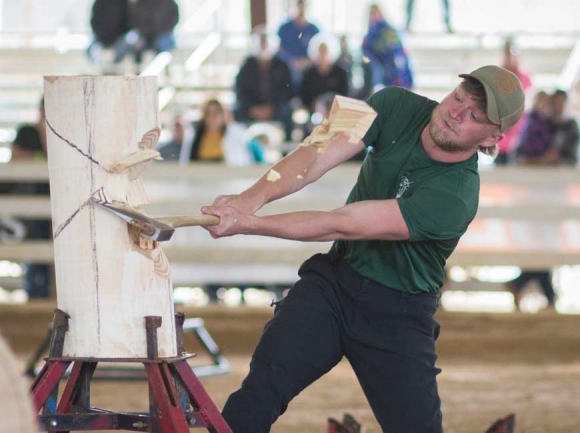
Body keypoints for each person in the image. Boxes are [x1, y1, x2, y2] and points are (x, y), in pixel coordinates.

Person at [200, 64, 525, 432]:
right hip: (335, 282)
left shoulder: (457, 197)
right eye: (458, 97)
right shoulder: (391, 102)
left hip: (399, 313)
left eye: (474, 115)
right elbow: (316, 152)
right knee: (259, 391)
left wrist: (249, 224)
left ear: (491, 139)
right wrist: (248, 200)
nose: (455, 112)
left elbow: (345, 223)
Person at [506, 89, 579, 312]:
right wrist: (542, 161)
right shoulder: (540, 125)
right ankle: (545, 294)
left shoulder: (568, 127)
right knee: (540, 243)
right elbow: (521, 156)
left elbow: (564, 159)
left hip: (555, 197)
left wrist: (538, 162)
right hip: (535, 197)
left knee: (548, 243)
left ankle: (527, 285)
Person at [7, 100, 52, 299]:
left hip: (38, 223)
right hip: (20, 218)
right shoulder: (29, 133)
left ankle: (38, 295)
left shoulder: (56, 146)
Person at [233, 27, 295, 141]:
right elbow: (240, 90)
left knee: (288, 113)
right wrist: (253, 108)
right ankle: (244, 149)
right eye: (261, 43)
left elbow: (288, 90)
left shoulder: (283, 65)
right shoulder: (247, 65)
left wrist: (272, 108)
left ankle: (286, 152)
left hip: (276, 108)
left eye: (266, 43)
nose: (263, 46)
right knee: (237, 113)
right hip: (252, 108)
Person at [361, 3, 414, 99]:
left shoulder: (391, 30)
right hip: (378, 70)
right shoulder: (369, 35)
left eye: (376, 13)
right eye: (372, 13)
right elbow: (365, 53)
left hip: (394, 69)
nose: (375, 16)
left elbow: (400, 50)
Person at [495, 37, 533, 164]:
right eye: (506, 53)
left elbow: (529, 102)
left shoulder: (524, 77)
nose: (509, 56)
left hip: (519, 135)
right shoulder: (497, 75)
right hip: (500, 136)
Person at [116, 0, 179, 66]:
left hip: (162, 34)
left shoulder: (170, 3)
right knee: (129, 40)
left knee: (164, 42)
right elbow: (133, 21)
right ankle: (115, 66)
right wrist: (142, 35)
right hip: (143, 34)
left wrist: (156, 33)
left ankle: (164, 66)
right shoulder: (139, 4)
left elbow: (173, 21)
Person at [299, 34, 349, 116]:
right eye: (320, 51)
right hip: (313, 113)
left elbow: (345, 94)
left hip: (336, 113)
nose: (323, 55)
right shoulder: (309, 73)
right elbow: (304, 95)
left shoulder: (340, 73)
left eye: (325, 51)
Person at [276, 0, 320, 85]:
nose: (301, 9)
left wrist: (306, 62)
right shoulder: (284, 29)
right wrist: (291, 61)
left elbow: (320, 51)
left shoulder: (314, 30)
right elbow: (278, 49)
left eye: (303, 5)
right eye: (298, 5)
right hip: (287, 67)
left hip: (309, 68)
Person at [86, 0, 130, 66]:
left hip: (118, 38)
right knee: (92, 49)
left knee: (126, 42)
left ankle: (109, 60)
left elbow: (127, 22)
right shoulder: (99, 2)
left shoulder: (123, 2)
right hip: (100, 37)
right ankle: (102, 60)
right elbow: (94, 21)